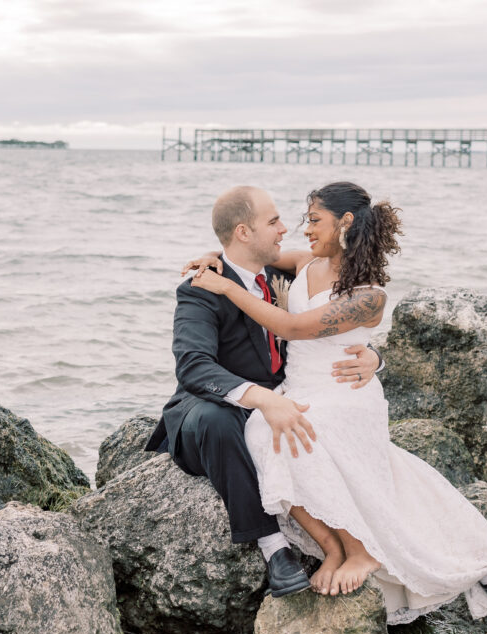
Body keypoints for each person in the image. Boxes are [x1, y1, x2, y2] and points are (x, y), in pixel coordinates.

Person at [189, 181, 487, 624]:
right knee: (263, 432)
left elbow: (290, 326)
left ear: (345, 223)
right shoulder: (306, 263)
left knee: (289, 437)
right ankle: (337, 547)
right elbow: (250, 258)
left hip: (345, 395)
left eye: (314, 220)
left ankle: (362, 552)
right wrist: (215, 260)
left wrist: (227, 290)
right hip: (301, 388)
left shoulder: (368, 295)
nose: (304, 229)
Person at [143, 185, 384, 598]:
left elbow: (327, 328)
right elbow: (193, 367)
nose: (285, 229)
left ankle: (351, 545)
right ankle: (274, 548)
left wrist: (375, 358)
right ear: (242, 231)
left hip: (293, 392)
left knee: (300, 430)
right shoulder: (201, 289)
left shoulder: (281, 273)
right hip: (213, 404)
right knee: (222, 422)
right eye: (273, 222)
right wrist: (264, 398)